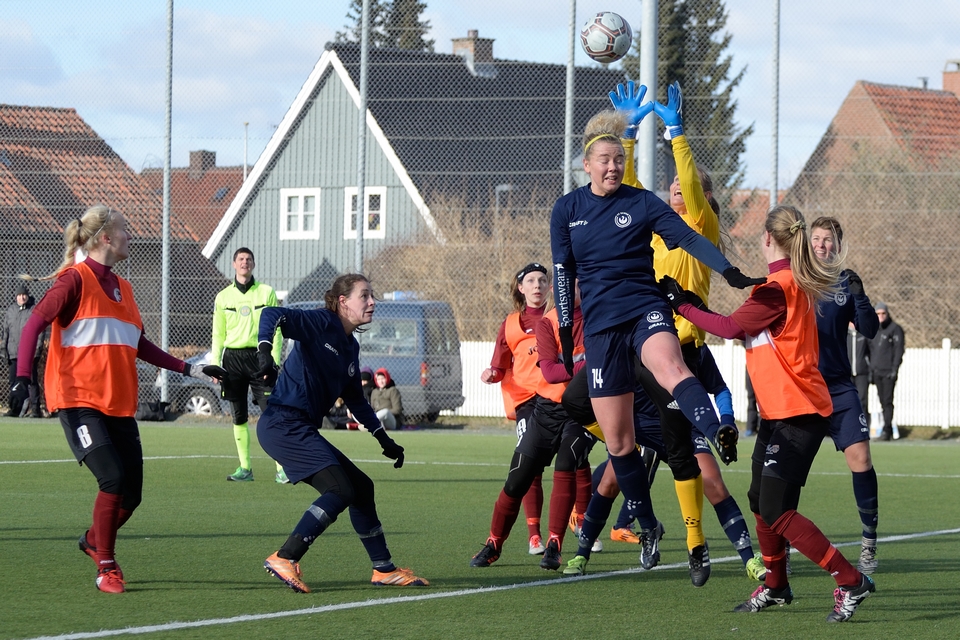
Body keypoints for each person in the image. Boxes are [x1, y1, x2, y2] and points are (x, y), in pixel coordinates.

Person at [569, 80, 756, 586]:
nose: (675, 189)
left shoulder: (698, 225)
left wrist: (676, 134)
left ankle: (701, 547)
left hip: (674, 353)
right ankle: (598, 541)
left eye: (682, 188)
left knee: (694, 466)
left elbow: (690, 188)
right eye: (669, 186)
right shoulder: (645, 224)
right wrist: (627, 135)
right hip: (627, 346)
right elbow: (621, 194)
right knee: (609, 443)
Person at [663, 204, 876, 622]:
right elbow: (743, 321)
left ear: (766, 238)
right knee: (760, 501)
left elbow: (729, 327)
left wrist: (681, 304)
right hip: (781, 411)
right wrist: (689, 301)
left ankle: (851, 580)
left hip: (798, 412)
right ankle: (777, 586)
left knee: (777, 510)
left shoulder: (779, 287)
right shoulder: (789, 282)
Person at [12, 204, 217, 593]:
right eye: (125, 230)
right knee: (113, 478)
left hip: (117, 404)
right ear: (105, 238)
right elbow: (34, 323)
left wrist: (191, 369)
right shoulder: (74, 279)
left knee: (131, 495)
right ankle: (106, 565)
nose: (130, 236)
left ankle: (93, 540)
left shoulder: (125, 288)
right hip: (78, 401)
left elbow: (138, 343)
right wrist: (22, 378)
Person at [254, 273, 427, 592]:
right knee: (340, 489)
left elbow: (356, 400)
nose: (372, 302)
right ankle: (286, 557)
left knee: (361, 488)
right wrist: (265, 350)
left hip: (299, 427)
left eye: (372, 295)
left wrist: (383, 438)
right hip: (282, 424)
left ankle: (384, 569)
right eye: (365, 295)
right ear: (343, 301)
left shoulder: (350, 346)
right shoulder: (322, 322)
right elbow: (271, 314)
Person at [470, 279, 598, 570]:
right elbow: (551, 373)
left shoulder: (597, 317)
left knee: (567, 463)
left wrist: (592, 365)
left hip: (584, 410)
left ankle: (554, 544)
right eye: (564, 285)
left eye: (577, 284)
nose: (570, 291)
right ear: (556, 289)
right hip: (547, 408)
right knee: (518, 478)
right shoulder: (548, 322)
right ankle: (494, 542)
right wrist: (593, 363)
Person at [810, 217, 882, 574]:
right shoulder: (796, 278)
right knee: (787, 473)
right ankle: (780, 549)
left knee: (862, 459)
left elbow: (869, 329)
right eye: (816, 239)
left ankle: (869, 543)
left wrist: (860, 295)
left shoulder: (845, 282)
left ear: (838, 245)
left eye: (828, 240)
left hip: (839, 387)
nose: (821, 245)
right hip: (802, 389)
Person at [479, 262, 553, 555]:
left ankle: (581, 521)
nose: (537, 286)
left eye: (542, 280)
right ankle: (535, 536)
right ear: (521, 288)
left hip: (558, 397)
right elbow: (499, 366)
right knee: (529, 467)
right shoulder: (511, 324)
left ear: (550, 286)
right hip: (527, 402)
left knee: (575, 460)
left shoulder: (560, 317)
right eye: (531, 281)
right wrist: (491, 374)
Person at [210, 247, 285, 483]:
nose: (245, 262)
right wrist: (215, 363)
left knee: (271, 414)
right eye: (241, 259)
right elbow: (218, 334)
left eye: (249, 259)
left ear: (253, 264)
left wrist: (273, 360)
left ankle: (282, 469)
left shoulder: (266, 292)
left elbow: (278, 330)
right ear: (234, 264)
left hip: (260, 358)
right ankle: (245, 469)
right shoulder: (223, 297)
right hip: (232, 360)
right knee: (238, 415)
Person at [3, 283, 44, 417]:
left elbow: (39, 331)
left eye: (24, 295)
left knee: (32, 381)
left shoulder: (33, 310)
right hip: (13, 352)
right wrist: (4, 349)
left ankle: (35, 409)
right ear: (16, 297)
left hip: (29, 353)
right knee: (13, 381)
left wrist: (37, 350)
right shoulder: (11, 311)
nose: (22, 297)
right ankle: (14, 408)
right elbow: (5, 331)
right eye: (20, 295)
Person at [869, 302, 904, 441]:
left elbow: (898, 350)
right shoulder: (873, 329)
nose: (881, 316)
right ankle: (883, 428)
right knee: (882, 401)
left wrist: (895, 369)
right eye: (878, 313)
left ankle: (887, 430)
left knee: (887, 401)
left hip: (888, 371)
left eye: (883, 313)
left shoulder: (895, 329)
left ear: (888, 314)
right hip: (876, 371)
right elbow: (870, 350)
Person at [849, 323, 871, 419]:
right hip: (847, 374)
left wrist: (870, 370)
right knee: (849, 400)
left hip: (862, 373)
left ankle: (864, 424)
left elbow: (871, 352)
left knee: (862, 400)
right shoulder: (843, 334)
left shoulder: (864, 334)